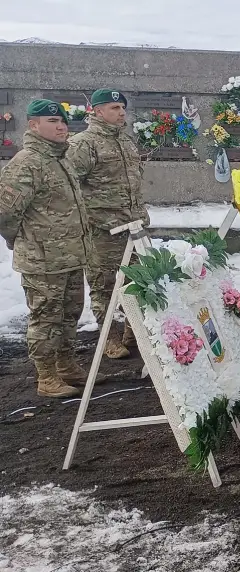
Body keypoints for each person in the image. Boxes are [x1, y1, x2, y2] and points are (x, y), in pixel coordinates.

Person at [0, 100, 92, 398]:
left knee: (69, 315)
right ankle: (46, 377)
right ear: (33, 125)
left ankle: (67, 366)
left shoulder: (61, 158)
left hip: (70, 256)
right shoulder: (27, 161)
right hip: (43, 261)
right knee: (46, 318)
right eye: (52, 121)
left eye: (63, 121)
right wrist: (26, 240)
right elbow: (5, 211)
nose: (61, 126)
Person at [67, 89, 147, 359]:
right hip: (101, 230)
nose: (121, 112)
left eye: (122, 107)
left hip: (133, 226)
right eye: (114, 107)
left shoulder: (125, 142)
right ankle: (108, 338)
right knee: (104, 286)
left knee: (138, 282)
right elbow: (70, 186)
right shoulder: (83, 144)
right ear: (97, 111)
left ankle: (133, 331)